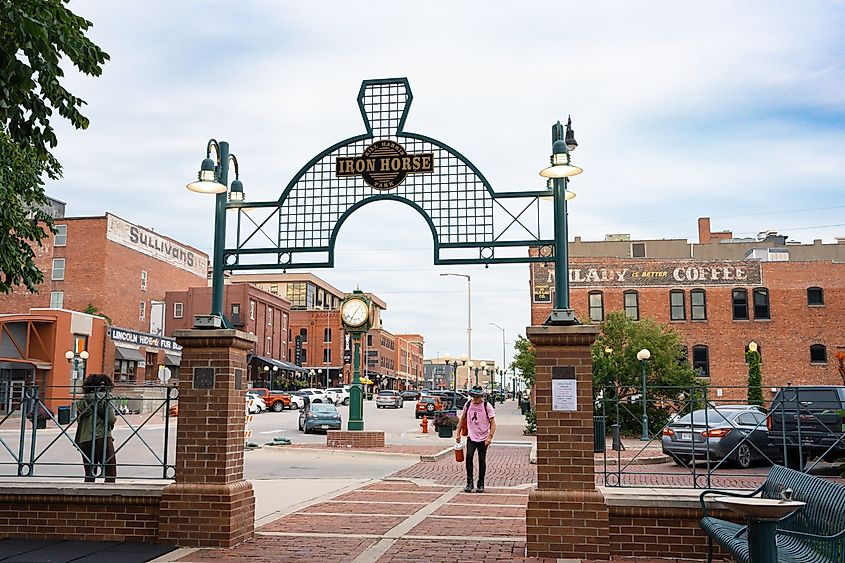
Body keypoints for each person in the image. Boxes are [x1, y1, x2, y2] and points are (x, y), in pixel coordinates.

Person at [74, 373, 117, 483]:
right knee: (110, 471)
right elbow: (111, 418)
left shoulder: (81, 401)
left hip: (83, 438)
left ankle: (87, 496)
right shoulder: (104, 397)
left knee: (89, 473)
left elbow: (79, 420)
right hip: (101, 436)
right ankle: (108, 497)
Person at [456, 385, 496, 493]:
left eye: (478, 397)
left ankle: (481, 483)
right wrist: (458, 434)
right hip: (471, 436)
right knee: (469, 456)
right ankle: (469, 482)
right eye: (474, 396)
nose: (476, 399)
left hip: (483, 438)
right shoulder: (468, 405)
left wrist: (490, 437)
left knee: (481, 460)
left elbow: (493, 423)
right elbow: (462, 419)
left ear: (481, 396)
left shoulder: (487, 406)